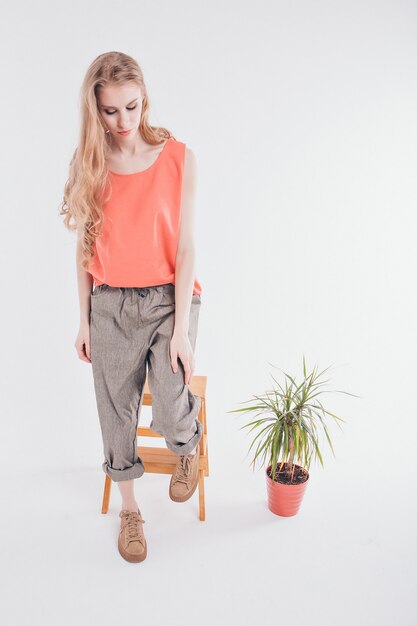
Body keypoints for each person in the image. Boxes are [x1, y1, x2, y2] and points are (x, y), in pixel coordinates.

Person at [59, 51, 203, 563]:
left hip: (169, 298)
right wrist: (84, 318)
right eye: (110, 111)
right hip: (110, 304)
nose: (123, 122)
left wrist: (182, 327)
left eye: (132, 107)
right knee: (115, 412)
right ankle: (129, 510)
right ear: (94, 110)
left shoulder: (177, 157)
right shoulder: (89, 164)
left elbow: (186, 249)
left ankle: (188, 444)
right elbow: (83, 248)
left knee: (169, 403)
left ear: (145, 99)